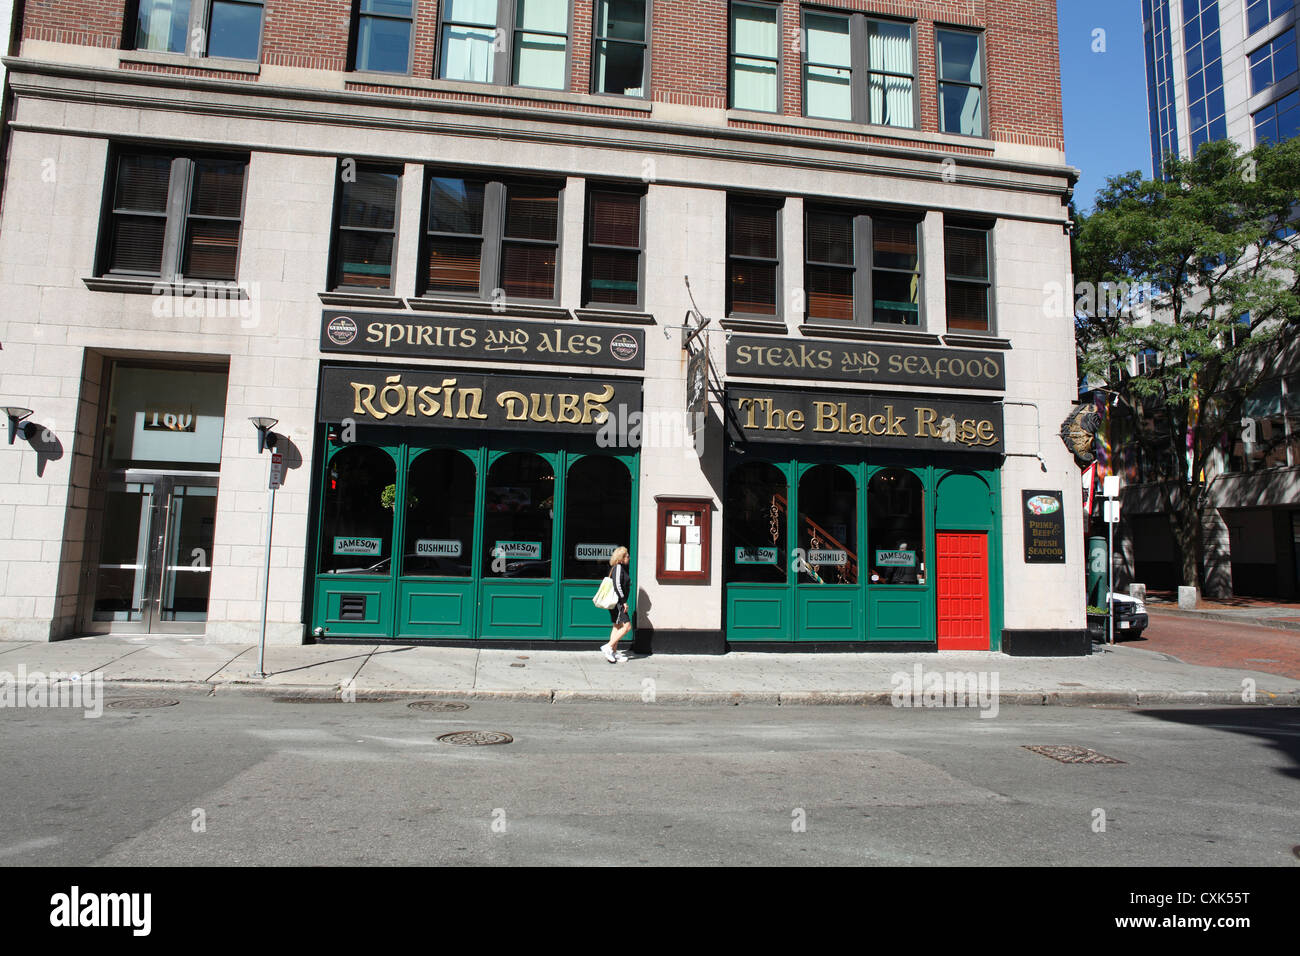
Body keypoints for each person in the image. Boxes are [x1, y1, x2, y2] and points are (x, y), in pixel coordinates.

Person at [600, 546, 632, 663]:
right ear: (621, 558)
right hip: (618, 602)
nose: (629, 558)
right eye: (627, 556)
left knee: (616, 626)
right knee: (627, 627)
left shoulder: (619, 568)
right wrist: (623, 602)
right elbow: (617, 585)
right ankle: (608, 647)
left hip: (617, 602)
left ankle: (612, 652)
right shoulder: (618, 568)